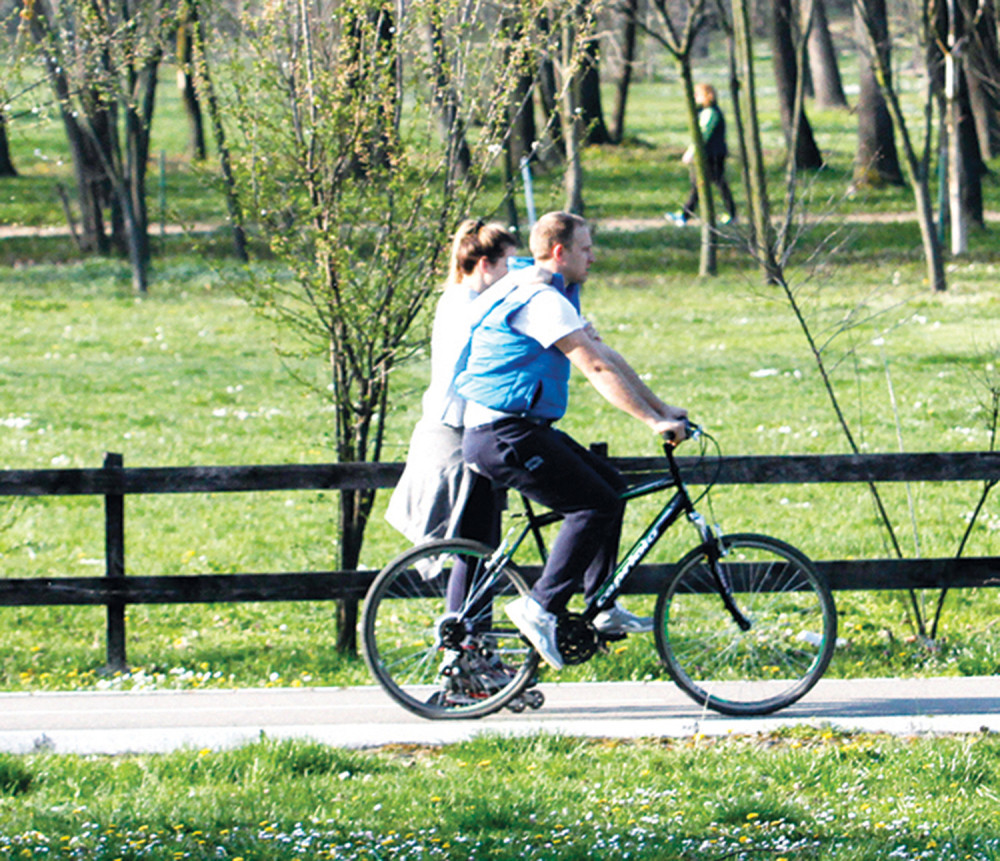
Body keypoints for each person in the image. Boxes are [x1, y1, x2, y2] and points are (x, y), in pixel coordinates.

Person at [454, 211, 689, 671]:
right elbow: (594, 368)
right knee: (592, 505)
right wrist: (651, 422)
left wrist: (662, 409)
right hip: (501, 433)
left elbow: (605, 355)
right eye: (586, 249)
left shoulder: (549, 291)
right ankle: (540, 607)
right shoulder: (542, 301)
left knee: (611, 486)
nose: (593, 258)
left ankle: (600, 604)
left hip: (519, 428)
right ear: (559, 252)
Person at [385, 219, 517, 614]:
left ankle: (472, 636)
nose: (514, 275)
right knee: (473, 545)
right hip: (456, 431)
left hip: (465, 426)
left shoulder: (465, 300)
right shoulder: (466, 304)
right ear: (484, 264)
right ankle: (464, 636)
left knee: (479, 545)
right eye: (508, 264)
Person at [667, 82, 736, 227]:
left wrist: (691, 152)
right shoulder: (706, 111)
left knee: (707, 184)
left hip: (713, 154)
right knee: (707, 184)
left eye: (698, 94)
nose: (695, 97)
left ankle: (686, 215)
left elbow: (702, 134)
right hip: (711, 153)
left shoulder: (710, 113)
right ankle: (686, 213)